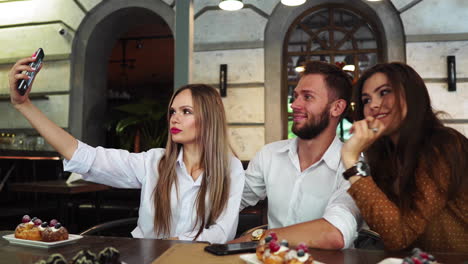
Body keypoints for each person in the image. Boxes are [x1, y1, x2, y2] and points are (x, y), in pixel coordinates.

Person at [8, 55, 245, 243]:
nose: (174, 118)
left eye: (186, 112)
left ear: (209, 119)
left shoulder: (230, 168)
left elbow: (221, 233)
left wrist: (168, 247)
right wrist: (24, 106)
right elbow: (86, 158)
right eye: (172, 111)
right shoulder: (154, 162)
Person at [232, 61, 361, 249]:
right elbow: (231, 202)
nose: (295, 104)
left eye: (307, 97)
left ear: (337, 108)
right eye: (295, 96)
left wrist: (255, 237)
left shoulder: (353, 167)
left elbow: (334, 233)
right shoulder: (269, 154)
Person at [341, 62, 468, 252]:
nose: (374, 105)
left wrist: (351, 162)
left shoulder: (442, 146)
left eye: (384, 92)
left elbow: (399, 236)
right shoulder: (387, 155)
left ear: (411, 95)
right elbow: (385, 227)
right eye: (366, 100)